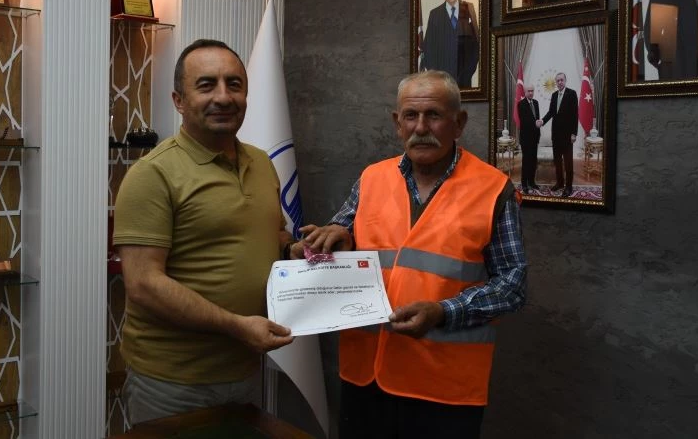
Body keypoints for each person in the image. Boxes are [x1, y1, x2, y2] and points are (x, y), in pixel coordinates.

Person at [298, 70, 527, 439]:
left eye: (433, 115)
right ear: (397, 123)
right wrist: (334, 238)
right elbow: (341, 238)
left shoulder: (493, 189)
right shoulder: (371, 179)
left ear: (459, 123)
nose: (421, 127)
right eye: (410, 116)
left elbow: (512, 285)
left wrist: (443, 312)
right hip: (365, 380)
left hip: (444, 389)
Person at [113, 39, 296, 425]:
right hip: (174, 382)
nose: (223, 97)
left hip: (246, 369)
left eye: (234, 84)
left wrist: (296, 248)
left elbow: (271, 235)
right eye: (206, 85)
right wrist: (237, 326)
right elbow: (143, 284)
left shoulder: (262, 163)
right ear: (179, 101)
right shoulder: (152, 174)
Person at [420, 0, 480, 87]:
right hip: (442, 85)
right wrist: (439, 78)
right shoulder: (435, 14)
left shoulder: (469, 8)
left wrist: (466, 74)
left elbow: (476, 45)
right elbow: (429, 51)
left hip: (464, 84)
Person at [538, 72, 578, 197]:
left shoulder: (572, 94)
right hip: (555, 135)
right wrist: (542, 121)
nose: (560, 82)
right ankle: (560, 183)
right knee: (557, 162)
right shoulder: (554, 95)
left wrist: (574, 133)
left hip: (567, 136)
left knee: (568, 163)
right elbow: (551, 112)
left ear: (565, 81)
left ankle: (569, 186)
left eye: (562, 80)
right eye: (558, 80)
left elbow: (575, 115)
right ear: (556, 82)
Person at [518, 83, 541, 193]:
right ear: (525, 92)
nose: (531, 93)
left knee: (533, 161)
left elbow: (537, 118)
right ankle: (524, 184)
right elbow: (524, 121)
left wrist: (539, 126)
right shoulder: (521, 104)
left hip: (535, 137)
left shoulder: (536, 103)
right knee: (526, 161)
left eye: (532, 91)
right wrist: (535, 123)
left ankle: (532, 182)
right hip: (526, 138)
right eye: (529, 91)